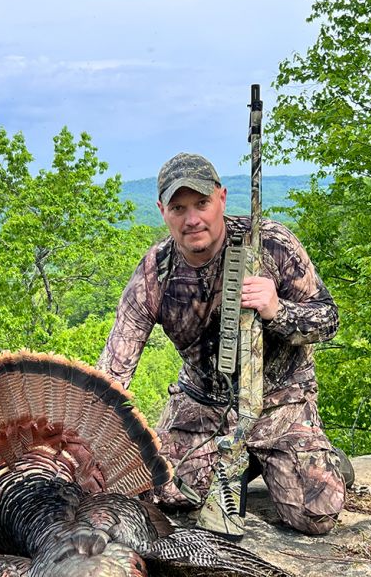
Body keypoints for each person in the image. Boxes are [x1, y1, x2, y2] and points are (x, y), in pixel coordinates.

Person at [97, 152, 346, 538]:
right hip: (201, 405)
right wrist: (86, 441)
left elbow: (328, 320)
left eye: (201, 203)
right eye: (178, 208)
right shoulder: (155, 271)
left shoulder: (271, 244)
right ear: (162, 210)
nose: (192, 219)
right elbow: (114, 369)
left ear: (222, 198)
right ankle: (240, 465)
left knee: (316, 513)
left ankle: (310, 455)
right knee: (149, 489)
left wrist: (276, 310)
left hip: (280, 400)